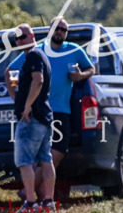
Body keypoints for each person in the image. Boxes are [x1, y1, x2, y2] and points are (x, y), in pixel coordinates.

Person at [7, 17, 94, 200]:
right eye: (56, 28)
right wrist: (16, 97)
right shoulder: (38, 51)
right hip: (39, 110)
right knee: (40, 155)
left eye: (63, 29)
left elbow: (91, 69)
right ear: (50, 30)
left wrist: (80, 77)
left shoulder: (74, 50)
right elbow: (10, 71)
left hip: (62, 110)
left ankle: (30, 193)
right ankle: (40, 196)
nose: (60, 32)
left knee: (57, 153)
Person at [4, 23, 55, 213]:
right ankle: (48, 200)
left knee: (24, 161)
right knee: (45, 158)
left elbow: (38, 80)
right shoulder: (37, 56)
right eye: (16, 38)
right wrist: (10, 86)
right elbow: (20, 92)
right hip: (43, 116)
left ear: (32, 35)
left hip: (31, 118)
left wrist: (27, 106)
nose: (20, 40)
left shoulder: (34, 55)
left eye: (23, 36)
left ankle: (31, 203)